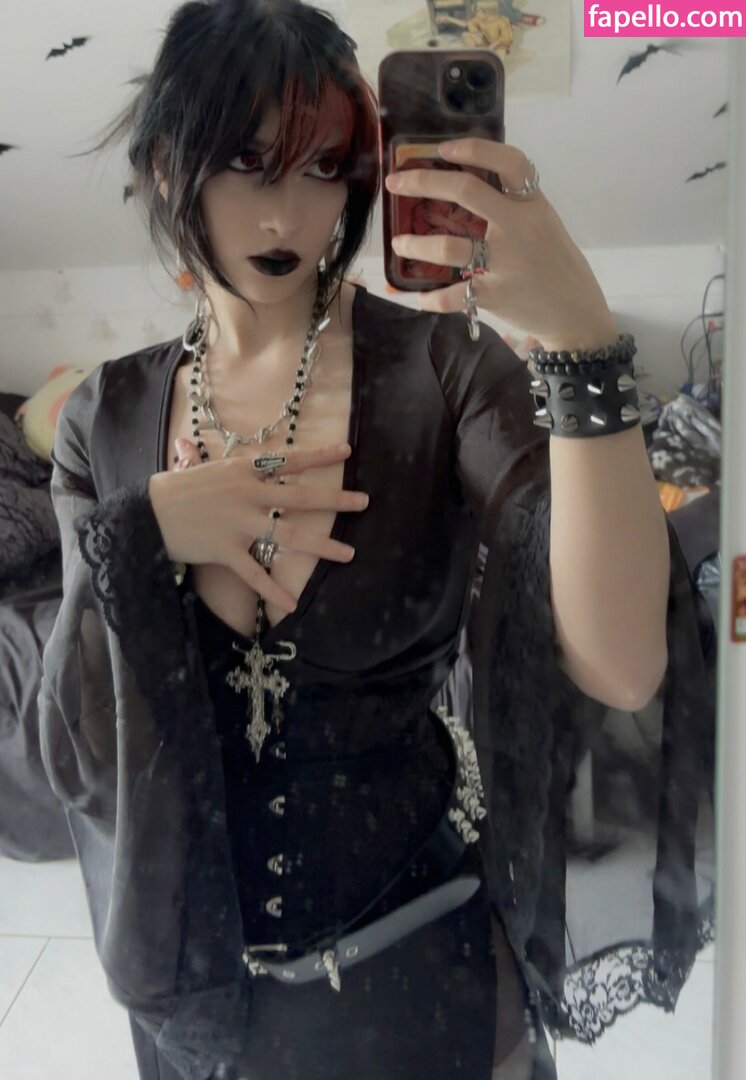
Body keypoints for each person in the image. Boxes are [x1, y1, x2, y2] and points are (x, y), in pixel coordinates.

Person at [39, 2, 713, 1079]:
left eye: (323, 168)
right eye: (247, 162)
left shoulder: (444, 371)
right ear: (169, 167)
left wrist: (580, 341)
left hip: (424, 966)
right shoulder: (103, 418)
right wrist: (147, 530)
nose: (288, 211)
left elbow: (622, 665)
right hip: (196, 1001)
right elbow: (78, 743)